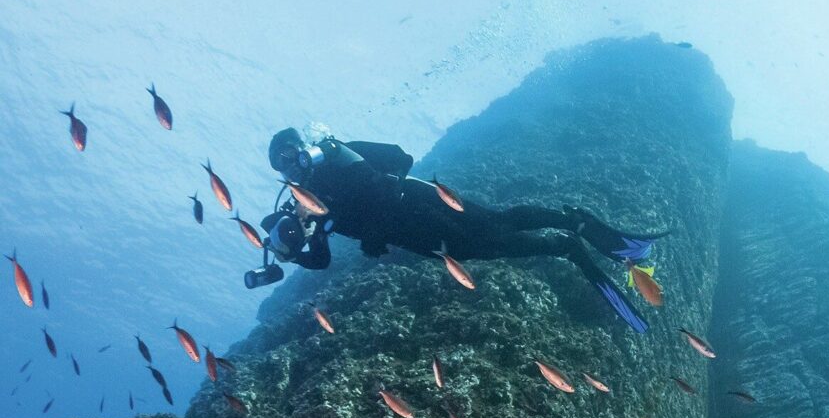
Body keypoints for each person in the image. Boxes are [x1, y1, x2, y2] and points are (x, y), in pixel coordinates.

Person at [262, 128, 666, 333]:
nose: (293, 168)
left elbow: (401, 159)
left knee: (495, 225)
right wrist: (291, 248)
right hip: (416, 238)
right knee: (489, 248)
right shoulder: (306, 207)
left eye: (291, 156)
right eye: (283, 168)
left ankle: (570, 222)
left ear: (302, 146)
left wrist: (369, 210)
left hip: (422, 203)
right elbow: (321, 259)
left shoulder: (338, 153)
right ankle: (564, 245)